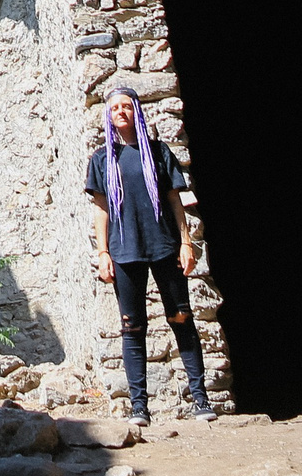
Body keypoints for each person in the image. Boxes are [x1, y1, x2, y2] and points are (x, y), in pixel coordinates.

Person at [84, 82, 216, 424]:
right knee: (132, 328)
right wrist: (103, 253)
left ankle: (201, 399)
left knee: (181, 318)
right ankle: (139, 407)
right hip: (124, 251)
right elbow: (101, 209)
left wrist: (186, 243)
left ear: (136, 111)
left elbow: (174, 199)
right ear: (108, 116)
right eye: (115, 108)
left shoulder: (158, 152)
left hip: (164, 247)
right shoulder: (102, 160)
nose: (121, 112)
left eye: (126, 106)